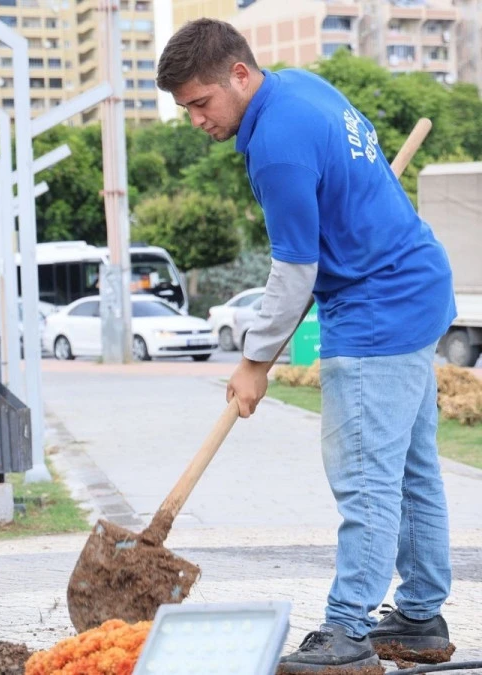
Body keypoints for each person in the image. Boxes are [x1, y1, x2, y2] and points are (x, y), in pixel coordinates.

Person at [155, 19, 457, 673]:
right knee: (411, 470)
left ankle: (348, 630)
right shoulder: (300, 88)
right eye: (186, 110)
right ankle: (421, 616)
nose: (196, 121)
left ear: (239, 74)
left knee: (368, 482)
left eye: (200, 103)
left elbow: (294, 272)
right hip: (417, 286)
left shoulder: (278, 146)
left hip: (377, 312)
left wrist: (253, 364)